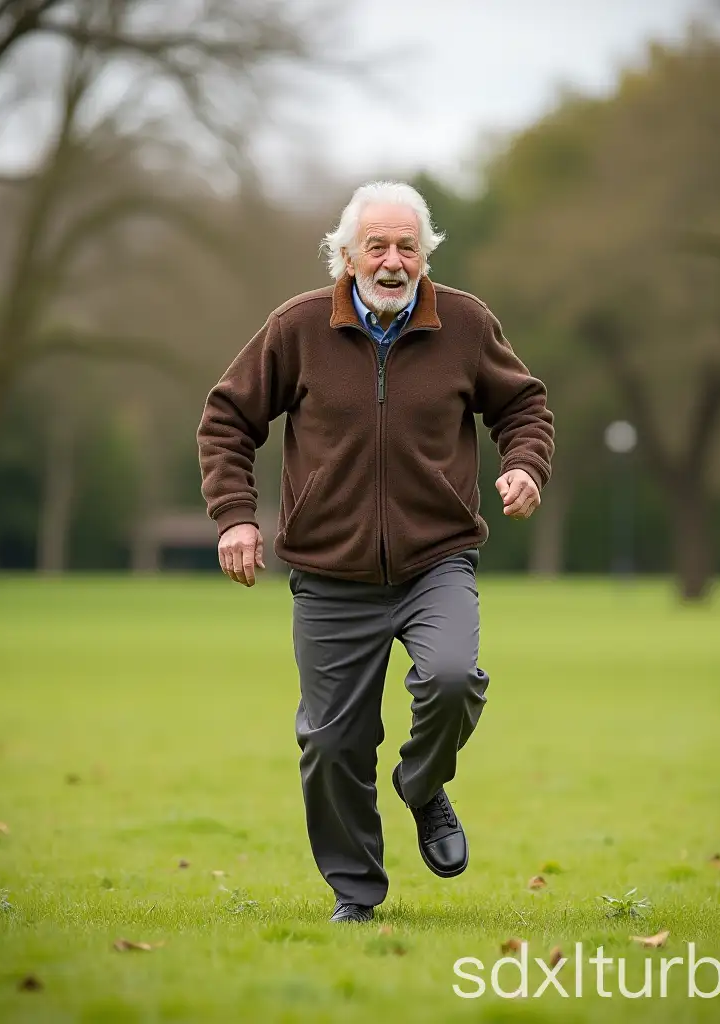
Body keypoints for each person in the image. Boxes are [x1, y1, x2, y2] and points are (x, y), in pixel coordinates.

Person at [197, 180, 554, 923]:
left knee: (453, 679)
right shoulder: (296, 328)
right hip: (329, 573)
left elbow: (522, 404)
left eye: (408, 247)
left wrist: (524, 464)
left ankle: (422, 784)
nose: (392, 262)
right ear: (347, 255)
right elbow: (227, 419)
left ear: (425, 255)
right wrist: (235, 516)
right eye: (377, 247)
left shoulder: (464, 323)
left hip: (437, 560)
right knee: (333, 745)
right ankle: (357, 897)